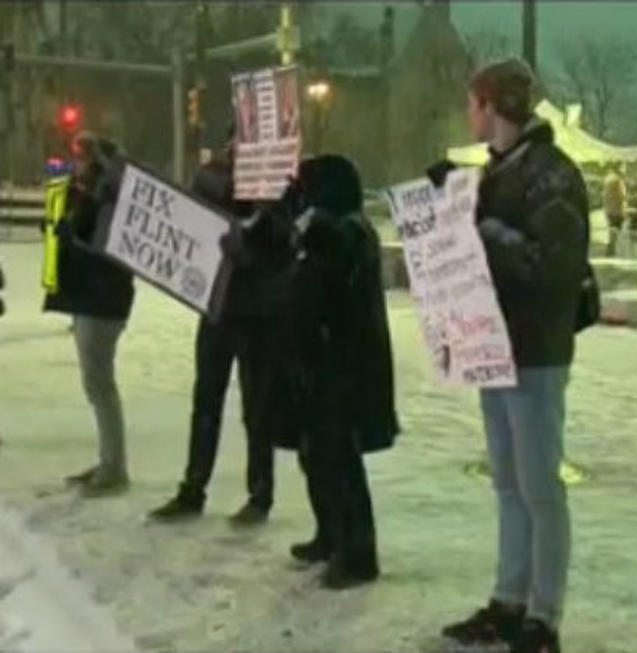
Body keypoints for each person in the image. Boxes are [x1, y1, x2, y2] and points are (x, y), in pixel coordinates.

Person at [434, 57, 589, 653]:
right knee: (507, 482)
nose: (467, 113)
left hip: (536, 349)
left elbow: (552, 266)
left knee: (539, 485)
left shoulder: (552, 173)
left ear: (493, 105)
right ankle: (509, 598)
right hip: (491, 345)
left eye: (472, 102)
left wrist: (482, 229)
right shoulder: (498, 172)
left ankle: (544, 616)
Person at [148, 125, 290, 526]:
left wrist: (262, 210)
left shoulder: (278, 183)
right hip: (218, 306)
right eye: (237, 141)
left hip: (256, 312)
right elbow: (196, 219)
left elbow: (282, 242)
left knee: (256, 407)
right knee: (206, 401)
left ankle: (260, 495)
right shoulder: (213, 174)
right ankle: (193, 487)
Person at [274, 154, 399, 589]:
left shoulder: (351, 229)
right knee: (317, 456)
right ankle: (329, 534)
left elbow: (334, 269)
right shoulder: (327, 227)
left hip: (343, 365)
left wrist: (313, 227)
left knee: (339, 460)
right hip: (317, 362)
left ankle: (358, 552)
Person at [44, 132, 135, 497]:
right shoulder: (91, 194)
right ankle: (108, 460)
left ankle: (114, 466)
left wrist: (74, 240)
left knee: (100, 383)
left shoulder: (111, 199)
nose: (76, 163)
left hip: (103, 301)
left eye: (83, 157)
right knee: (95, 383)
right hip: (90, 299)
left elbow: (106, 252)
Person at [603, 163, 628, 256]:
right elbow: (621, 196)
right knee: (616, 232)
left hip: (610, 210)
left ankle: (611, 250)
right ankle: (612, 251)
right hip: (617, 211)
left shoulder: (608, 179)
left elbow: (606, 197)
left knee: (612, 232)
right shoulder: (617, 181)